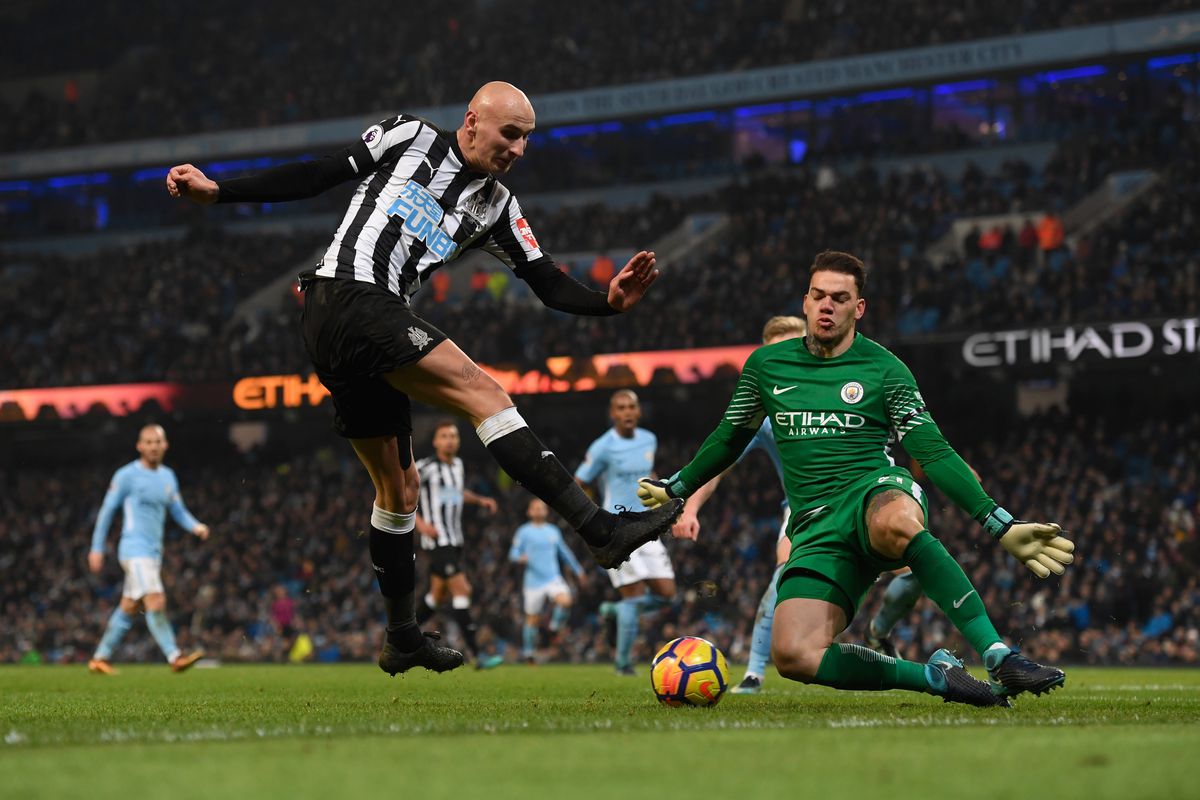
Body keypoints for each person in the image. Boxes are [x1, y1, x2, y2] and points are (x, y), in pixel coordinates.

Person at [166, 81, 683, 678]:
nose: (518, 149)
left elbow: (545, 281)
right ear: (472, 121)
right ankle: (599, 530)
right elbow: (320, 173)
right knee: (486, 395)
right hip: (350, 295)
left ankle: (402, 636)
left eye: (526, 140)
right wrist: (221, 191)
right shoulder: (408, 135)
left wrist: (607, 303)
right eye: (510, 134)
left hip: (352, 328)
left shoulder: (498, 206)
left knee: (399, 490)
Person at [639, 250, 1075, 707]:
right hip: (814, 526)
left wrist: (998, 523)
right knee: (795, 656)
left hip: (874, 492)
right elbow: (728, 439)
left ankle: (998, 654)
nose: (827, 306)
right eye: (818, 296)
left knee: (897, 522)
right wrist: (677, 488)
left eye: (840, 298)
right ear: (805, 302)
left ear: (858, 308)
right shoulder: (766, 367)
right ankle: (937, 678)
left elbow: (933, 452)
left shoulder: (886, 370)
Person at [676, 317, 924, 693]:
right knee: (782, 575)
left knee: (915, 569)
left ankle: (879, 633)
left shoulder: (844, 382)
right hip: (804, 509)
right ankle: (754, 674)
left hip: (861, 499)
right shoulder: (765, 410)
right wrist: (691, 507)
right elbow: (719, 463)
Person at [87, 425, 209, 675]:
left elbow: (178, 510)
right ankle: (175, 656)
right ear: (139, 446)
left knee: (130, 605)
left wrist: (196, 526)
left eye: (157, 442)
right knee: (155, 598)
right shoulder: (126, 475)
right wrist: (96, 548)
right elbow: (107, 511)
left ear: (165, 445)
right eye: (148, 442)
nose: (153, 446)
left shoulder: (168, 476)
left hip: (153, 552)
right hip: (134, 549)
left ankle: (99, 658)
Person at [575, 390, 674, 675]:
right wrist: (592, 518)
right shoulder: (602, 447)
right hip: (617, 529)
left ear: (639, 411)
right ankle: (623, 664)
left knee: (667, 594)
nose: (627, 412)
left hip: (648, 525)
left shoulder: (649, 439)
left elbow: (647, 475)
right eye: (621, 408)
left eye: (631, 406)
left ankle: (614, 612)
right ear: (613, 414)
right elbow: (579, 482)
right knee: (634, 596)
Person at [414, 419, 503, 669]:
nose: (449, 440)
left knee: (437, 596)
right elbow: (402, 494)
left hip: (455, 540)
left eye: (453, 436)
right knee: (463, 590)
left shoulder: (458, 466)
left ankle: (398, 638)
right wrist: (420, 524)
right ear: (435, 442)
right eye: (444, 436)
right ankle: (477, 654)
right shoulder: (425, 467)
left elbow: (455, 493)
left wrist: (480, 500)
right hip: (437, 540)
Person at [509, 498, 586, 663]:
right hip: (533, 581)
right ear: (529, 512)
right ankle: (529, 653)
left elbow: (564, 552)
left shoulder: (553, 531)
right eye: (535, 508)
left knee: (566, 601)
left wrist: (578, 570)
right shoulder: (524, 532)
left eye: (541, 508)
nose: (538, 511)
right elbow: (513, 553)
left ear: (546, 511)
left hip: (552, 577)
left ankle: (554, 628)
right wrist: (519, 558)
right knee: (532, 619)